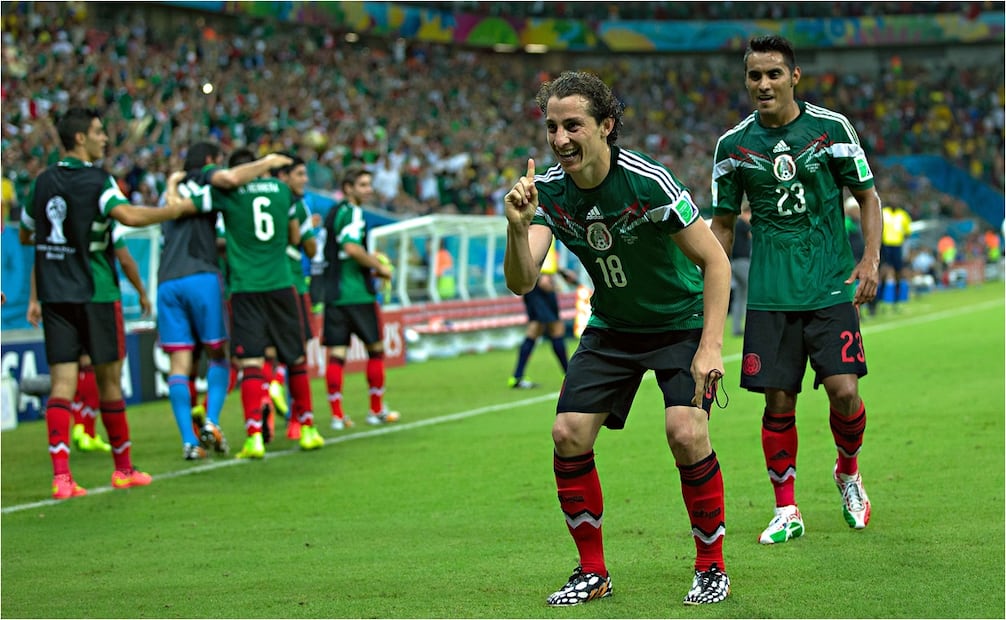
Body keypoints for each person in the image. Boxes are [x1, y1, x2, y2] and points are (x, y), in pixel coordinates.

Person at [504, 71, 733, 606]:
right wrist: (517, 226)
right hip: (613, 327)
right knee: (567, 433)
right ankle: (592, 572)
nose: (560, 138)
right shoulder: (548, 193)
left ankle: (711, 566)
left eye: (573, 125)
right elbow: (521, 281)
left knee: (686, 433)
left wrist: (711, 346)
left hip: (679, 321)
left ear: (606, 126)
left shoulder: (648, 182)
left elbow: (716, 262)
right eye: (552, 127)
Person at [709, 35, 882, 545]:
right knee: (778, 402)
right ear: (746, 81)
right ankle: (786, 509)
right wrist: (708, 291)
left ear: (794, 76)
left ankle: (848, 471)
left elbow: (868, 197)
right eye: (755, 76)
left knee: (845, 392)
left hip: (830, 284)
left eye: (774, 74)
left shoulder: (831, 129)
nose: (763, 84)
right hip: (769, 294)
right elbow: (723, 226)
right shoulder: (732, 146)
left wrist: (870, 259)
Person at [18, 106, 194, 499]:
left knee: (62, 385)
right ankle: (123, 470)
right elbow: (128, 216)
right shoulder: (98, 180)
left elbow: (27, 235)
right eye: (99, 132)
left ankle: (62, 478)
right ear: (80, 137)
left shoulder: (41, 182)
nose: (104, 138)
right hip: (96, 293)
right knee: (109, 382)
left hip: (55, 295)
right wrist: (174, 210)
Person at [185, 147, 324, 458]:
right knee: (296, 359)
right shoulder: (283, 191)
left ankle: (254, 437)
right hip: (281, 283)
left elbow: (190, 209)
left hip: (245, 287)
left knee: (250, 363)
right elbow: (294, 237)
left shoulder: (227, 194)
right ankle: (308, 429)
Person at [160, 141, 289, 460]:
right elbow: (230, 180)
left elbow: (174, 212)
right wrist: (268, 162)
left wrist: (171, 184)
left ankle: (190, 442)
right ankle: (212, 422)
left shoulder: (171, 193)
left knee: (179, 365)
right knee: (220, 355)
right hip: (202, 277)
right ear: (210, 161)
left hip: (167, 281)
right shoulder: (211, 184)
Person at [322, 166, 400, 430]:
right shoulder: (353, 212)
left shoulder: (334, 212)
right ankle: (375, 410)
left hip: (334, 293)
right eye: (363, 185)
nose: (369, 190)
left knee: (337, 354)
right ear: (348, 188)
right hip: (357, 293)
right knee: (375, 350)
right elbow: (351, 247)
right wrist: (379, 267)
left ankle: (337, 416)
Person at [71, 226, 152, 453]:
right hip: (100, 295)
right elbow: (125, 260)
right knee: (106, 370)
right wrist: (142, 292)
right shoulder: (104, 219)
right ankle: (88, 430)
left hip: (66, 295)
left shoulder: (64, 217)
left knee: (78, 364)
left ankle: (81, 425)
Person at [269, 153, 319, 441]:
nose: (305, 179)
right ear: (283, 176)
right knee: (297, 353)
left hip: (261, 283)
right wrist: (309, 229)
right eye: (299, 174)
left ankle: (265, 421)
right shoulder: (296, 205)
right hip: (293, 284)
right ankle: (296, 420)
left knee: (266, 351)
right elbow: (309, 248)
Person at [508, 240, 578, 389]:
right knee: (554, 328)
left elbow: (544, 256)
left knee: (536, 329)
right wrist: (544, 278)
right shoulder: (542, 228)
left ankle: (517, 377)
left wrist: (561, 272)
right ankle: (569, 376)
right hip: (539, 284)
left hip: (534, 282)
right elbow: (537, 255)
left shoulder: (537, 232)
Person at [871, 201, 912, 313]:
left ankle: (896, 301)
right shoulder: (884, 213)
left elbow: (908, 232)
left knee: (898, 273)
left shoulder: (903, 215)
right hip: (885, 246)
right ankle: (878, 301)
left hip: (897, 246)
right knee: (883, 272)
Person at [729, 205, 752, 337]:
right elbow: (751, 235)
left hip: (735, 263)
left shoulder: (736, 224)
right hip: (742, 262)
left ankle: (736, 328)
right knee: (752, 294)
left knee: (739, 296)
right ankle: (751, 326)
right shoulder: (742, 224)